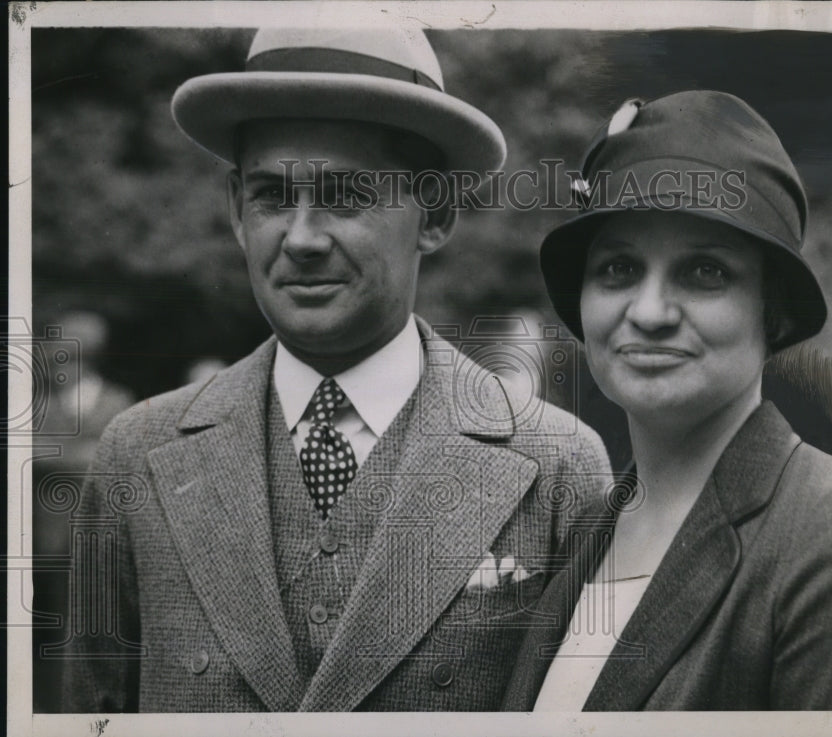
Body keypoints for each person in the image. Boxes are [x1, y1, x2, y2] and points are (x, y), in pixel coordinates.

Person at [61, 27, 611, 713]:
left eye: (345, 194)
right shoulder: (137, 453)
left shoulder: (557, 465)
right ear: (235, 208)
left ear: (435, 213)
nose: (301, 237)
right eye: (269, 195)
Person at [503, 91, 832, 710]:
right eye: (619, 269)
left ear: (772, 310)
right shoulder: (587, 530)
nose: (649, 312)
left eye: (705, 272)